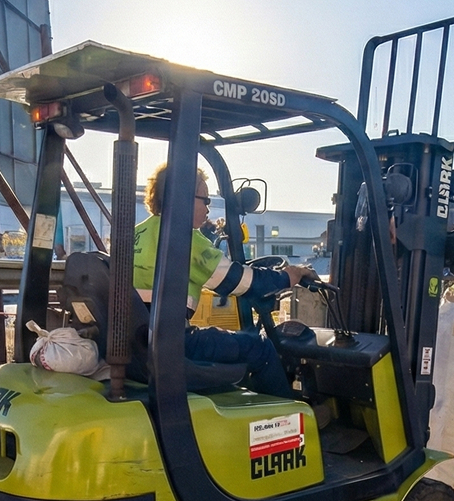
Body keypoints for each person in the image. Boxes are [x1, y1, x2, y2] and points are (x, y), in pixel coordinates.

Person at [132, 163, 316, 397]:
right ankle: (292, 415)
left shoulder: (138, 233)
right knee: (259, 348)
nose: (208, 209)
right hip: (172, 344)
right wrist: (290, 275)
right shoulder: (183, 238)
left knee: (229, 342)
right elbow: (238, 281)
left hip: (139, 343)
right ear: (183, 197)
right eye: (205, 200)